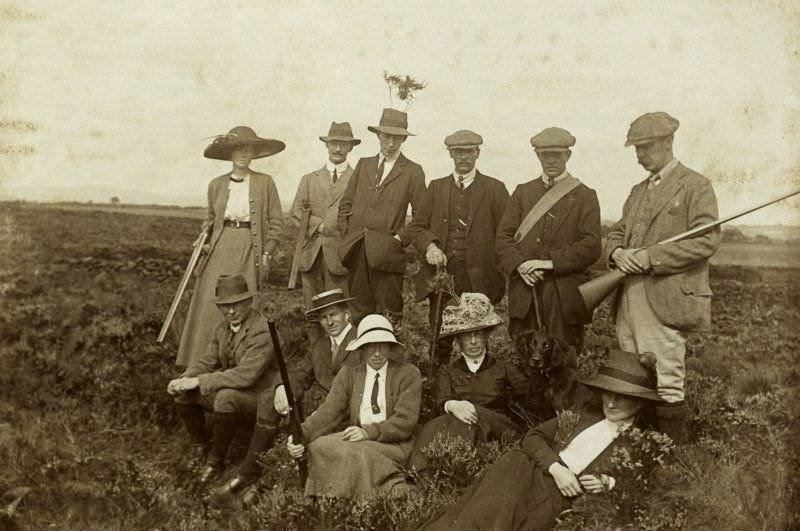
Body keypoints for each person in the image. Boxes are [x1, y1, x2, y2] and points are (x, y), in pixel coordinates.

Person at [419, 349, 664, 531]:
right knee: (484, 513)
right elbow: (533, 436)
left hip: (560, 496)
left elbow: (647, 484)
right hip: (528, 469)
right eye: (608, 395)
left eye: (621, 398)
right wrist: (556, 467)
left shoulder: (641, 443)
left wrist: (607, 482)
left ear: (640, 402)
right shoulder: (583, 415)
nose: (611, 403)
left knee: (511, 519)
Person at [604, 112, 720, 443]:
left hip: (665, 297)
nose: (639, 155)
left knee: (667, 377)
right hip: (627, 295)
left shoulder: (696, 185)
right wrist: (616, 253)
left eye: (645, 147)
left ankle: (673, 461)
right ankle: (636, 451)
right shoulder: (637, 190)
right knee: (631, 374)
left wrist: (651, 257)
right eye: (636, 148)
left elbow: (706, 240)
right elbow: (617, 232)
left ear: (668, 143)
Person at [218, 288, 361, 495]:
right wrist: (282, 388)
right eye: (323, 318)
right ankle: (247, 473)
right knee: (269, 399)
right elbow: (300, 371)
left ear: (346, 313)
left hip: (342, 413)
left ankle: (266, 484)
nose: (329, 322)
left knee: (300, 431)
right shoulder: (320, 345)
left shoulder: (361, 343)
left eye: (333, 315)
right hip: (316, 405)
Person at [176, 126, 285, 368]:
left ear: (254, 154)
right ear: (230, 154)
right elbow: (212, 218)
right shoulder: (216, 185)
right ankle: (201, 362)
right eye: (238, 150)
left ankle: (240, 365)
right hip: (220, 246)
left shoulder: (265, 183)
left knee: (243, 302)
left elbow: (276, 222)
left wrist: (267, 251)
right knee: (211, 302)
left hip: (249, 248)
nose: (243, 155)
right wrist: (203, 236)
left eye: (248, 150)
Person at [286, 314, 422, 498]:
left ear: (390, 347)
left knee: (355, 451)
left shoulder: (407, 374)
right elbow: (329, 411)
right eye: (370, 347)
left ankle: (361, 502)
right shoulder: (350, 374)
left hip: (394, 443)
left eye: (382, 346)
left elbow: (405, 421)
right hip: (359, 438)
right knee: (318, 446)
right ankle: (327, 500)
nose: (377, 354)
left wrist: (369, 432)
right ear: (361, 349)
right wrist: (300, 435)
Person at [402, 130, 509, 363]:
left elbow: (507, 235)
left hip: (480, 280)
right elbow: (417, 227)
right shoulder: (436, 187)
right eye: (458, 152)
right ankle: (437, 389)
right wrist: (430, 246)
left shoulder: (495, 189)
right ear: (451, 154)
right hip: (443, 278)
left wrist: (498, 273)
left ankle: (478, 391)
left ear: (477, 153)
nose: (463, 157)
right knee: (439, 341)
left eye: (468, 152)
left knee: (476, 340)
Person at [495, 127, 601, 351]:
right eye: (545, 155)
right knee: (522, 363)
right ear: (537, 156)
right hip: (525, 293)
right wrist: (521, 264)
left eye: (557, 155)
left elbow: (592, 246)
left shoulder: (585, 195)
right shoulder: (523, 192)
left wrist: (549, 263)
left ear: (568, 156)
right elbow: (503, 237)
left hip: (563, 297)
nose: (551, 160)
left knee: (562, 363)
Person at [167, 273, 278, 484]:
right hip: (234, 390)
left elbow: (246, 376)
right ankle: (200, 445)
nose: (231, 311)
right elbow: (207, 361)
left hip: (260, 400)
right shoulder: (222, 329)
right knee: (184, 394)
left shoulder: (262, 331)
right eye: (225, 306)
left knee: (224, 398)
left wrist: (200, 381)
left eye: (237, 304)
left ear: (248, 301)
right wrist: (185, 378)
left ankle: (215, 462)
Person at [410, 293, 527, 473]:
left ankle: (461, 466)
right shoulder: (448, 371)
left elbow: (528, 397)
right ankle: (423, 471)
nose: (473, 341)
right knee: (437, 425)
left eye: (478, 334)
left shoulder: (503, 368)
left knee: (469, 417)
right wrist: (453, 405)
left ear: (486, 336)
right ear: (457, 340)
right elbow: (441, 400)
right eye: (467, 336)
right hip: (460, 427)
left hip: (496, 429)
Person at [337, 108, 426, 329]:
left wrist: (398, 239)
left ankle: (391, 361)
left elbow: (422, 215)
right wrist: (349, 234)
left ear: (403, 139)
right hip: (357, 250)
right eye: (386, 136)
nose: (390, 143)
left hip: (388, 254)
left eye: (396, 138)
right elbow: (346, 203)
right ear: (378, 136)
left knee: (389, 314)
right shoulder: (364, 164)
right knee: (358, 312)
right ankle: (361, 361)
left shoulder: (413, 171)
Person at [290, 122, 360, 341]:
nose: (337, 149)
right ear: (327, 146)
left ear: (350, 148)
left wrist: (333, 228)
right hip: (310, 257)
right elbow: (295, 212)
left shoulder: (358, 179)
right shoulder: (310, 179)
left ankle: (341, 367)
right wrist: (318, 226)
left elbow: (358, 216)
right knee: (313, 315)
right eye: (333, 144)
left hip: (340, 259)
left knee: (339, 315)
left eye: (343, 145)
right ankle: (319, 370)